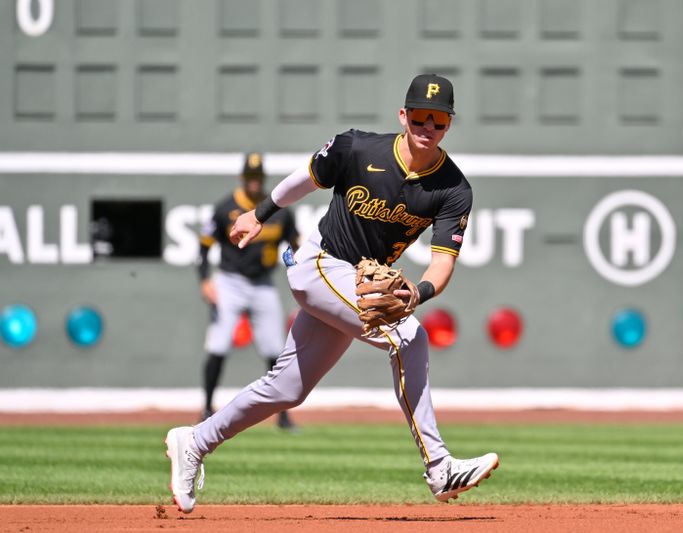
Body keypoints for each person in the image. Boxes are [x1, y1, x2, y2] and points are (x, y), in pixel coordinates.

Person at [166, 74, 499, 513]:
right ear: (404, 115)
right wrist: (259, 214)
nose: (427, 127)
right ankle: (439, 466)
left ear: (448, 125)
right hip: (319, 265)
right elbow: (304, 179)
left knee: (287, 388)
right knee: (408, 337)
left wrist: (416, 294)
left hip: (355, 285)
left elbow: (443, 263)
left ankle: (193, 441)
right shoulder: (357, 148)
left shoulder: (453, 189)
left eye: (437, 120)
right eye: (420, 116)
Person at [196, 152, 300, 430]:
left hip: (262, 282)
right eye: (250, 177)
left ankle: (283, 414)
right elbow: (204, 246)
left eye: (259, 177)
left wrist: (301, 276)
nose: (255, 182)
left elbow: (295, 245)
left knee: (275, 350)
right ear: (243, 178)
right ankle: (206, 408)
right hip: (229, 281)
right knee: (218, 344)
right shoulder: (225, 208)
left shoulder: (278, 210)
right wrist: (205, 280)